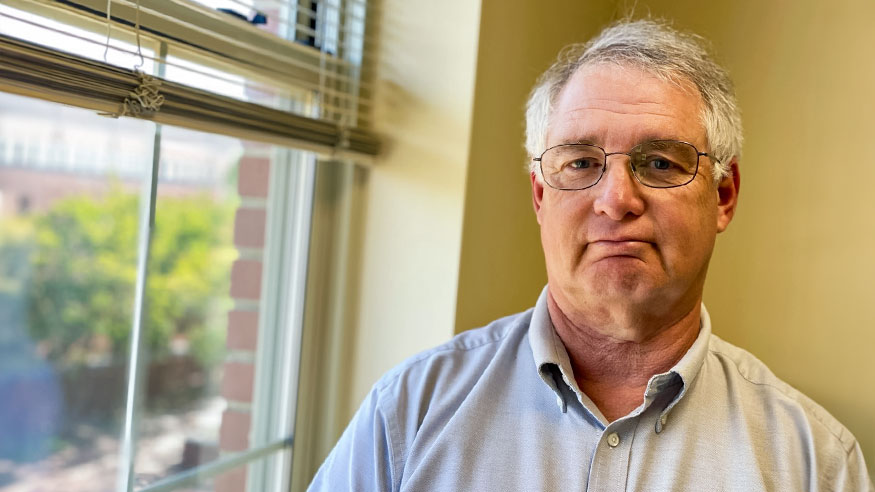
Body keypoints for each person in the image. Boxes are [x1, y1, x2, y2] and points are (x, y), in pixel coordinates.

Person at [308, 19, 873, 491]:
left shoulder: (816, 463)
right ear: (540, 196)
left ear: (723, 196)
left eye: (660, 163)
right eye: (580, 163)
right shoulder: (406, 417)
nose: (617, 200)